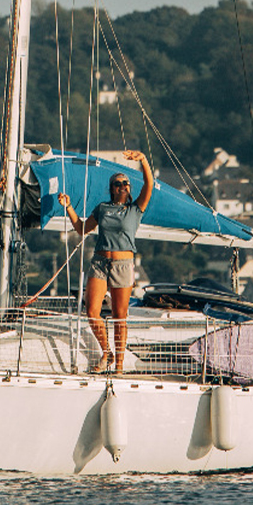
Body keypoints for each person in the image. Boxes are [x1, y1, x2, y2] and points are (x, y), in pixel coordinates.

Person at [58, 149, 155, 374]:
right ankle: (107, 353)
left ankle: (119, 366)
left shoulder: (135, 209)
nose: (123, 186)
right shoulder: (103, 208)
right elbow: (82, 229)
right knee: (92, 312)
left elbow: (149, 185)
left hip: (123, 264)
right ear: (112, 189)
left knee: (120, 317)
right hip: (100, 262)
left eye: (126, 184)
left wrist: (143, 160)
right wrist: (69, 207)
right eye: (118, 183)